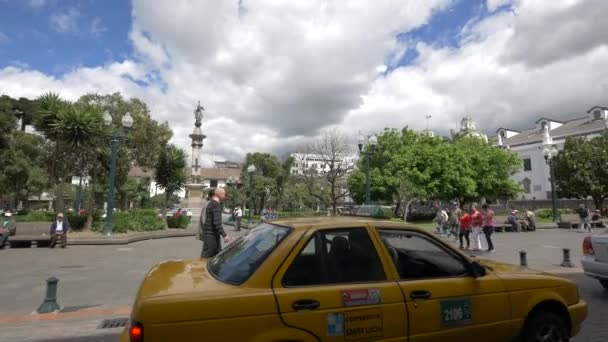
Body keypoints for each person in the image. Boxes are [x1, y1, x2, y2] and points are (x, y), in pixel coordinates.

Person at [201, 187, 231, 258]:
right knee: (207, 256)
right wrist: (225, 235)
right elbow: (217, 222)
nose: (225, 197)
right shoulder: (216, 205)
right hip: (211, 235)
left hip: (210, 234)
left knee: (217, 256)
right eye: (224, 195)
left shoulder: (211, 203)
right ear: (219, 194)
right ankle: (200, 268)